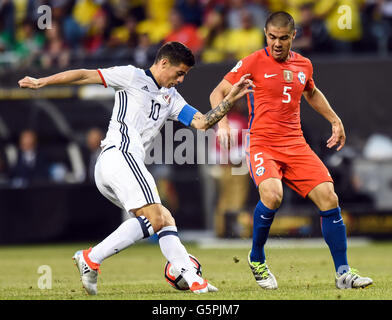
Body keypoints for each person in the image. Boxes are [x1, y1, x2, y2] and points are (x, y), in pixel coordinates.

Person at [18, 41, 254, 295]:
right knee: (160, 217)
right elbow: (85, 74)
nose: (181, 80)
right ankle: (190, 276)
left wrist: (228, 101)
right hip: (119, 155)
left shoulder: (171, 97)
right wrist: (43, 81)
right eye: (180, 73)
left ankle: (92, 257)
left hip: (116, 166)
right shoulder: (132, 76)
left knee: (159, 220)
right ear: (164, 63)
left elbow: (203, 122)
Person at [209, 11, 373, 290]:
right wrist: (221, 123)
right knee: (272, 196)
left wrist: (335, 119)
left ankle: (343, 273)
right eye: (272, 37)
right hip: (263, 143)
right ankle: (257, 257)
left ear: (293, 36)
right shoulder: (252, 62)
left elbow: (311, 92)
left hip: (295, 144)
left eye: (283, 38)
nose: (276, 43)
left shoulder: (304, 65)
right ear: (265, 34)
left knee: (329, 198)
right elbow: (218, 92)